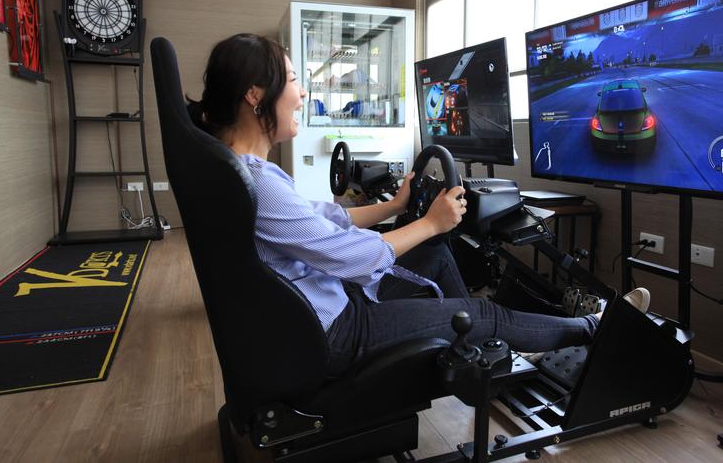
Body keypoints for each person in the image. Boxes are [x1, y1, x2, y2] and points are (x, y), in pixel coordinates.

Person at [189, 33, 650, 375]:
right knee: (484, 309)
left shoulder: (243, 170)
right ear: (255, 95)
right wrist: (430, 221)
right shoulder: (258, 181)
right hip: (332, 331)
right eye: (293, 80)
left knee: (436, 255)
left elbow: (323, 217)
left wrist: (396, 207)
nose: (303, 93)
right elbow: (351, 257)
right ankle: (596, 327)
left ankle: (472, 348)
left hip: (316, 305)